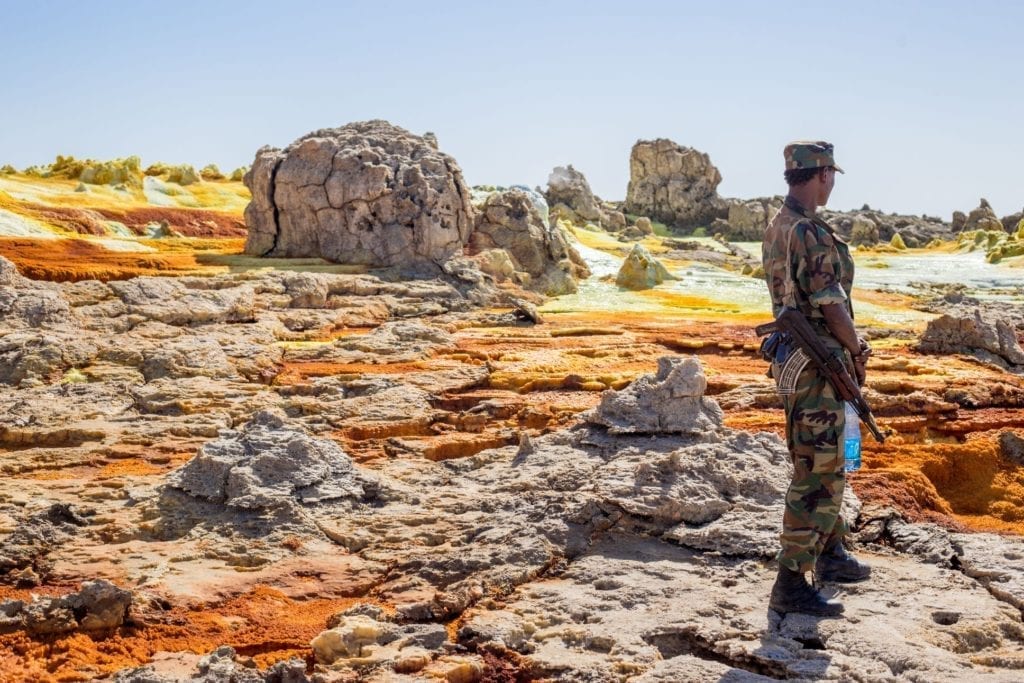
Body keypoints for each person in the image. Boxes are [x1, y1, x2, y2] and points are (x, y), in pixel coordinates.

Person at [762, 141, 872, 617]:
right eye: (831, 174)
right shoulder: (807, 230)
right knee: (818, 468)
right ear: (822, 174)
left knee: (833, 455)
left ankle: (830, 550)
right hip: (819, 366)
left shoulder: (779, 226)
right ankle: (791, 581)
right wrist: (856, 346)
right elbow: (829, 305)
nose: (832, 183)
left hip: (800, 363)